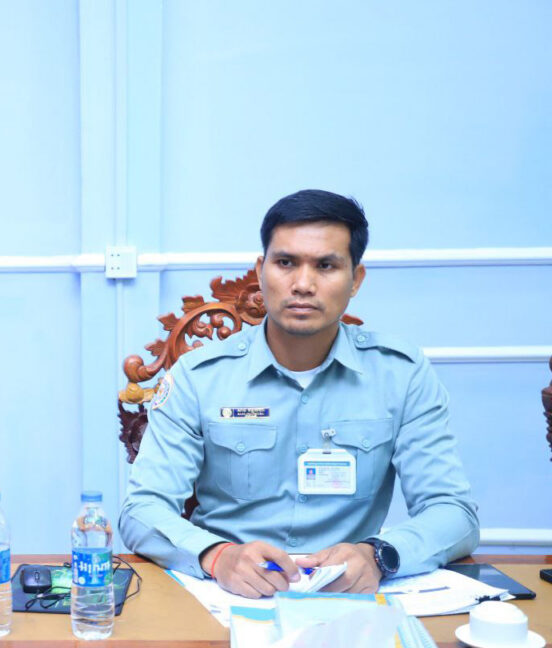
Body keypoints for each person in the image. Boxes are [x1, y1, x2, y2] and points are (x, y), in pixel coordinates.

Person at [119, 189, 479, 598]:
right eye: (286, 263)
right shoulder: (199, 377)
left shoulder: (400, 374)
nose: (303, 284)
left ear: (355, 279)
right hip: (227, 594)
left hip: (348, 596)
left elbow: (454, 512)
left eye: (326, 265)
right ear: (261, 271)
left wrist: (378, 556)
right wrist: (218, 557)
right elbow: (142, 510)